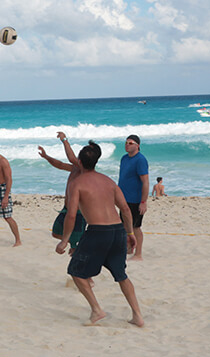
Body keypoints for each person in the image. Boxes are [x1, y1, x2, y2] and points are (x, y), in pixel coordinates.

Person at [56, 140, 144, 327]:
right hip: (118, 230)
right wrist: (130, 232)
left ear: (79, 161)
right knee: (121, 275)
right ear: (96, 161)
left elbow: (71, 215)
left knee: (76, 272)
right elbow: (126, 210)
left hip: (97, 232)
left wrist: (64, 241)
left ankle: (97, 310)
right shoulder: (108, 181)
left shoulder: (77, 183)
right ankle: (137, 316)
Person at [38, 132, 88, 254]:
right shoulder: (75, 168)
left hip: (78, 212)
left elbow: (71, 157)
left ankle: (78, 245)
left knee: (75, 250)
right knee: (56, 232)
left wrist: (64, 140)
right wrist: (46, 157)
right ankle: (77, 242)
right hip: (66, 208)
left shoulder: (84, 170)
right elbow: (60, 165)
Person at [119, 135, 149, 261]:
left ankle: (138, 254)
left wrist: (143, 202)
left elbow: (145, 182)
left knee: (135, 227)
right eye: (126, 143)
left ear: (137, 146)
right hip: (124, 198)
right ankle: (129, 248)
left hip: (135, 200)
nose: (127, 145)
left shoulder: (141, 160)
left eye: (130, 143)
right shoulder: (124, 158)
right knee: (125, 225)